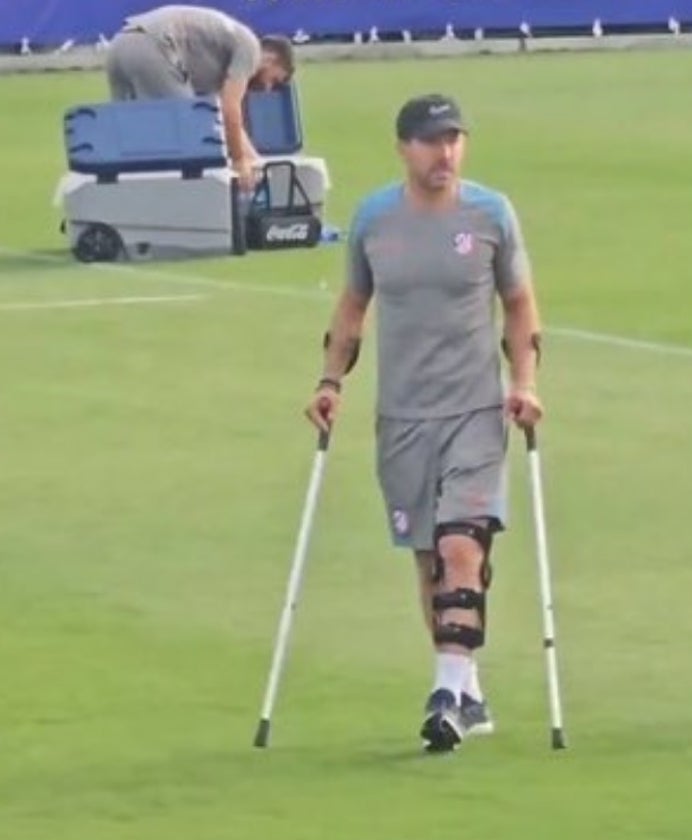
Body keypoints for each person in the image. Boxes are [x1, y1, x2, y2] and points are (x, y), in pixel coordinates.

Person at [304, 93, 544, 754]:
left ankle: (444, 690)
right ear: (404, 147)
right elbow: (352, 307)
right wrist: (329, 382)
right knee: (429, 561)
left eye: (455, 139)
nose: (445, 154)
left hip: (474, 410)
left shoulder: (491, 214)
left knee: (461, 544)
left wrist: (525, 384)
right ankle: (468, 691)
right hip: (402, 416)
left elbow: (520, 305)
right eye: (432, 141)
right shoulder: (375, 219)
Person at [104, 5, 296, 190]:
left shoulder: (214, 58)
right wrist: (239, 161)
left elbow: (221, 118)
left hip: (120, 44)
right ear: (270, 58)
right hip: (154, 46)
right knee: (188, 136)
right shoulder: (251, 50)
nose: (268, 88)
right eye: (274, 80)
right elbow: (230, 109)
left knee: (130, 140)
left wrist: (256, 162)